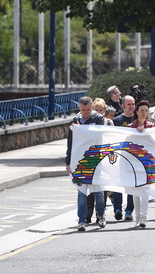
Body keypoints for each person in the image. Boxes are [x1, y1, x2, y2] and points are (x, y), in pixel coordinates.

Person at [65, 96, 107, 231]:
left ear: (92, 108)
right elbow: (70, 143)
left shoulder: (98, 119)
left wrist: (81, 129)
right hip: (79, 161)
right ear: (79, 108)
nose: (86, 113)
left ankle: (100, 215)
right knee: (81, 193)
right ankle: (81, 220)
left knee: (98, 192)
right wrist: (68, 161)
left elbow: (97, 136)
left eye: (88, 110)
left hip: (95, 160)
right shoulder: (74, 121)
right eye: (83, 110)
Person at [129, 100, 155, 227]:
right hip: (133, 164)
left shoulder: (152, 127)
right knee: (135, 191)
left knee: (145, 190)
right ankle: (137, 216)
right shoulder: (130, 127)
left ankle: (144, 217)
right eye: (141, 110)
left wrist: (145, 132)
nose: (144, 113)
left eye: (146, 110)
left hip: (147, 163)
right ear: (137, 112)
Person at [112, 95, 137, 221]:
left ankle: (129, 211)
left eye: (133, 104)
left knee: (131, 185)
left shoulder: (137, 120)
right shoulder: (116, 121)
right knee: (118, 184)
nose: (132, 106)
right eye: (129, 104)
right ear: (123, 106)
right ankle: (117, 209)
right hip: (119, 157)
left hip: (133, 158)